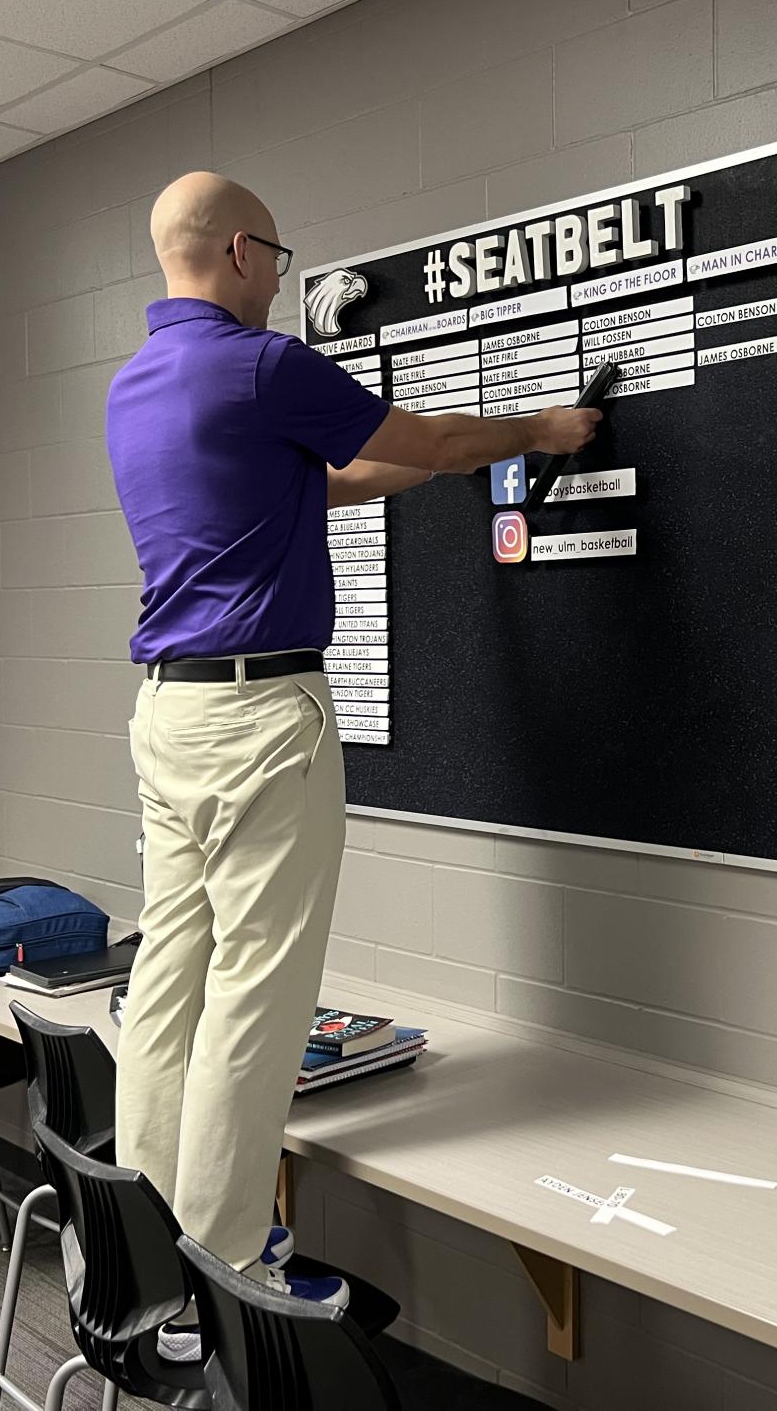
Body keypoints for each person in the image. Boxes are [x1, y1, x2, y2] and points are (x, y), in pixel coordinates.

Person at [105, 173, 598, 1352]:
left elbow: (334, 475)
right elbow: (412, 435)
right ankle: (220, 1272)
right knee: (258, 997)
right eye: (275, 254)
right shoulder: (262, 366)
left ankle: (143, 1255)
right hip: (261, 714)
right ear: (237, 250)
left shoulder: (136, 386)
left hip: (168, 719)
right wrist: (538, 430)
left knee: (172, 983)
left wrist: (447, 465)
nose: (281, 276)